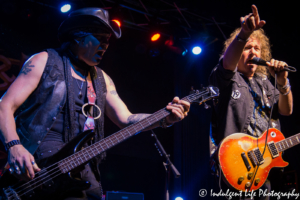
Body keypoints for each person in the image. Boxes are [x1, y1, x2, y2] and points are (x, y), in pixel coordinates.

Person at [0, 8, 190, 200]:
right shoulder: (45, 61)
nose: (106, 45)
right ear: (78, 36)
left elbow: (127, 119)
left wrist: (165, 118)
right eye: (100, 37)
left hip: (79, 169)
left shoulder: (102, 79)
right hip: (37, 167)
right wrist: (14, 146)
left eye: (107, 40)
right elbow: (4, 106)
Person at [209, 5, 293, 199]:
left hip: (262, 170)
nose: (253, 52)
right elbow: (228, 64)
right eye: (248, 48)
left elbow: (286, 111)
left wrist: (282, 81)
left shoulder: (265, 84)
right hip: (236, 165)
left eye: (257, 48)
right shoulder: (227, 78)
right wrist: (245, 33)